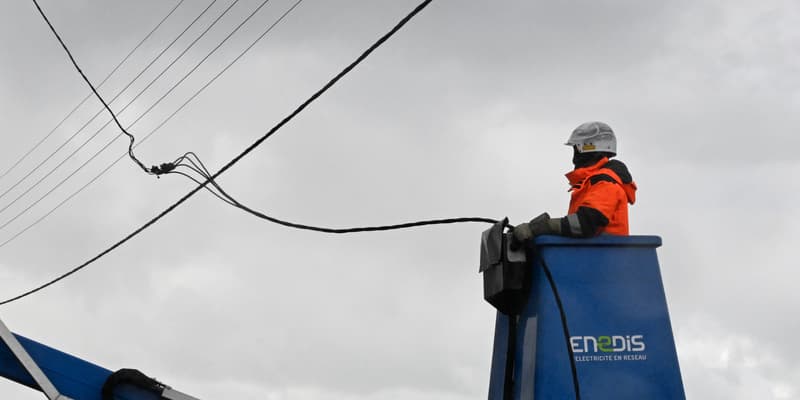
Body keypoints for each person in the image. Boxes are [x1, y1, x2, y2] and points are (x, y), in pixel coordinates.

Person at [512, 121, 637, 244]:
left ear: (590, 148)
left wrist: (543, 227)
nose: (574, 159)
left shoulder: (605, 182)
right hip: (592, 256)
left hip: (603, 259)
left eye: (577, 150)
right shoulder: (592, 182)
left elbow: (585, 223)